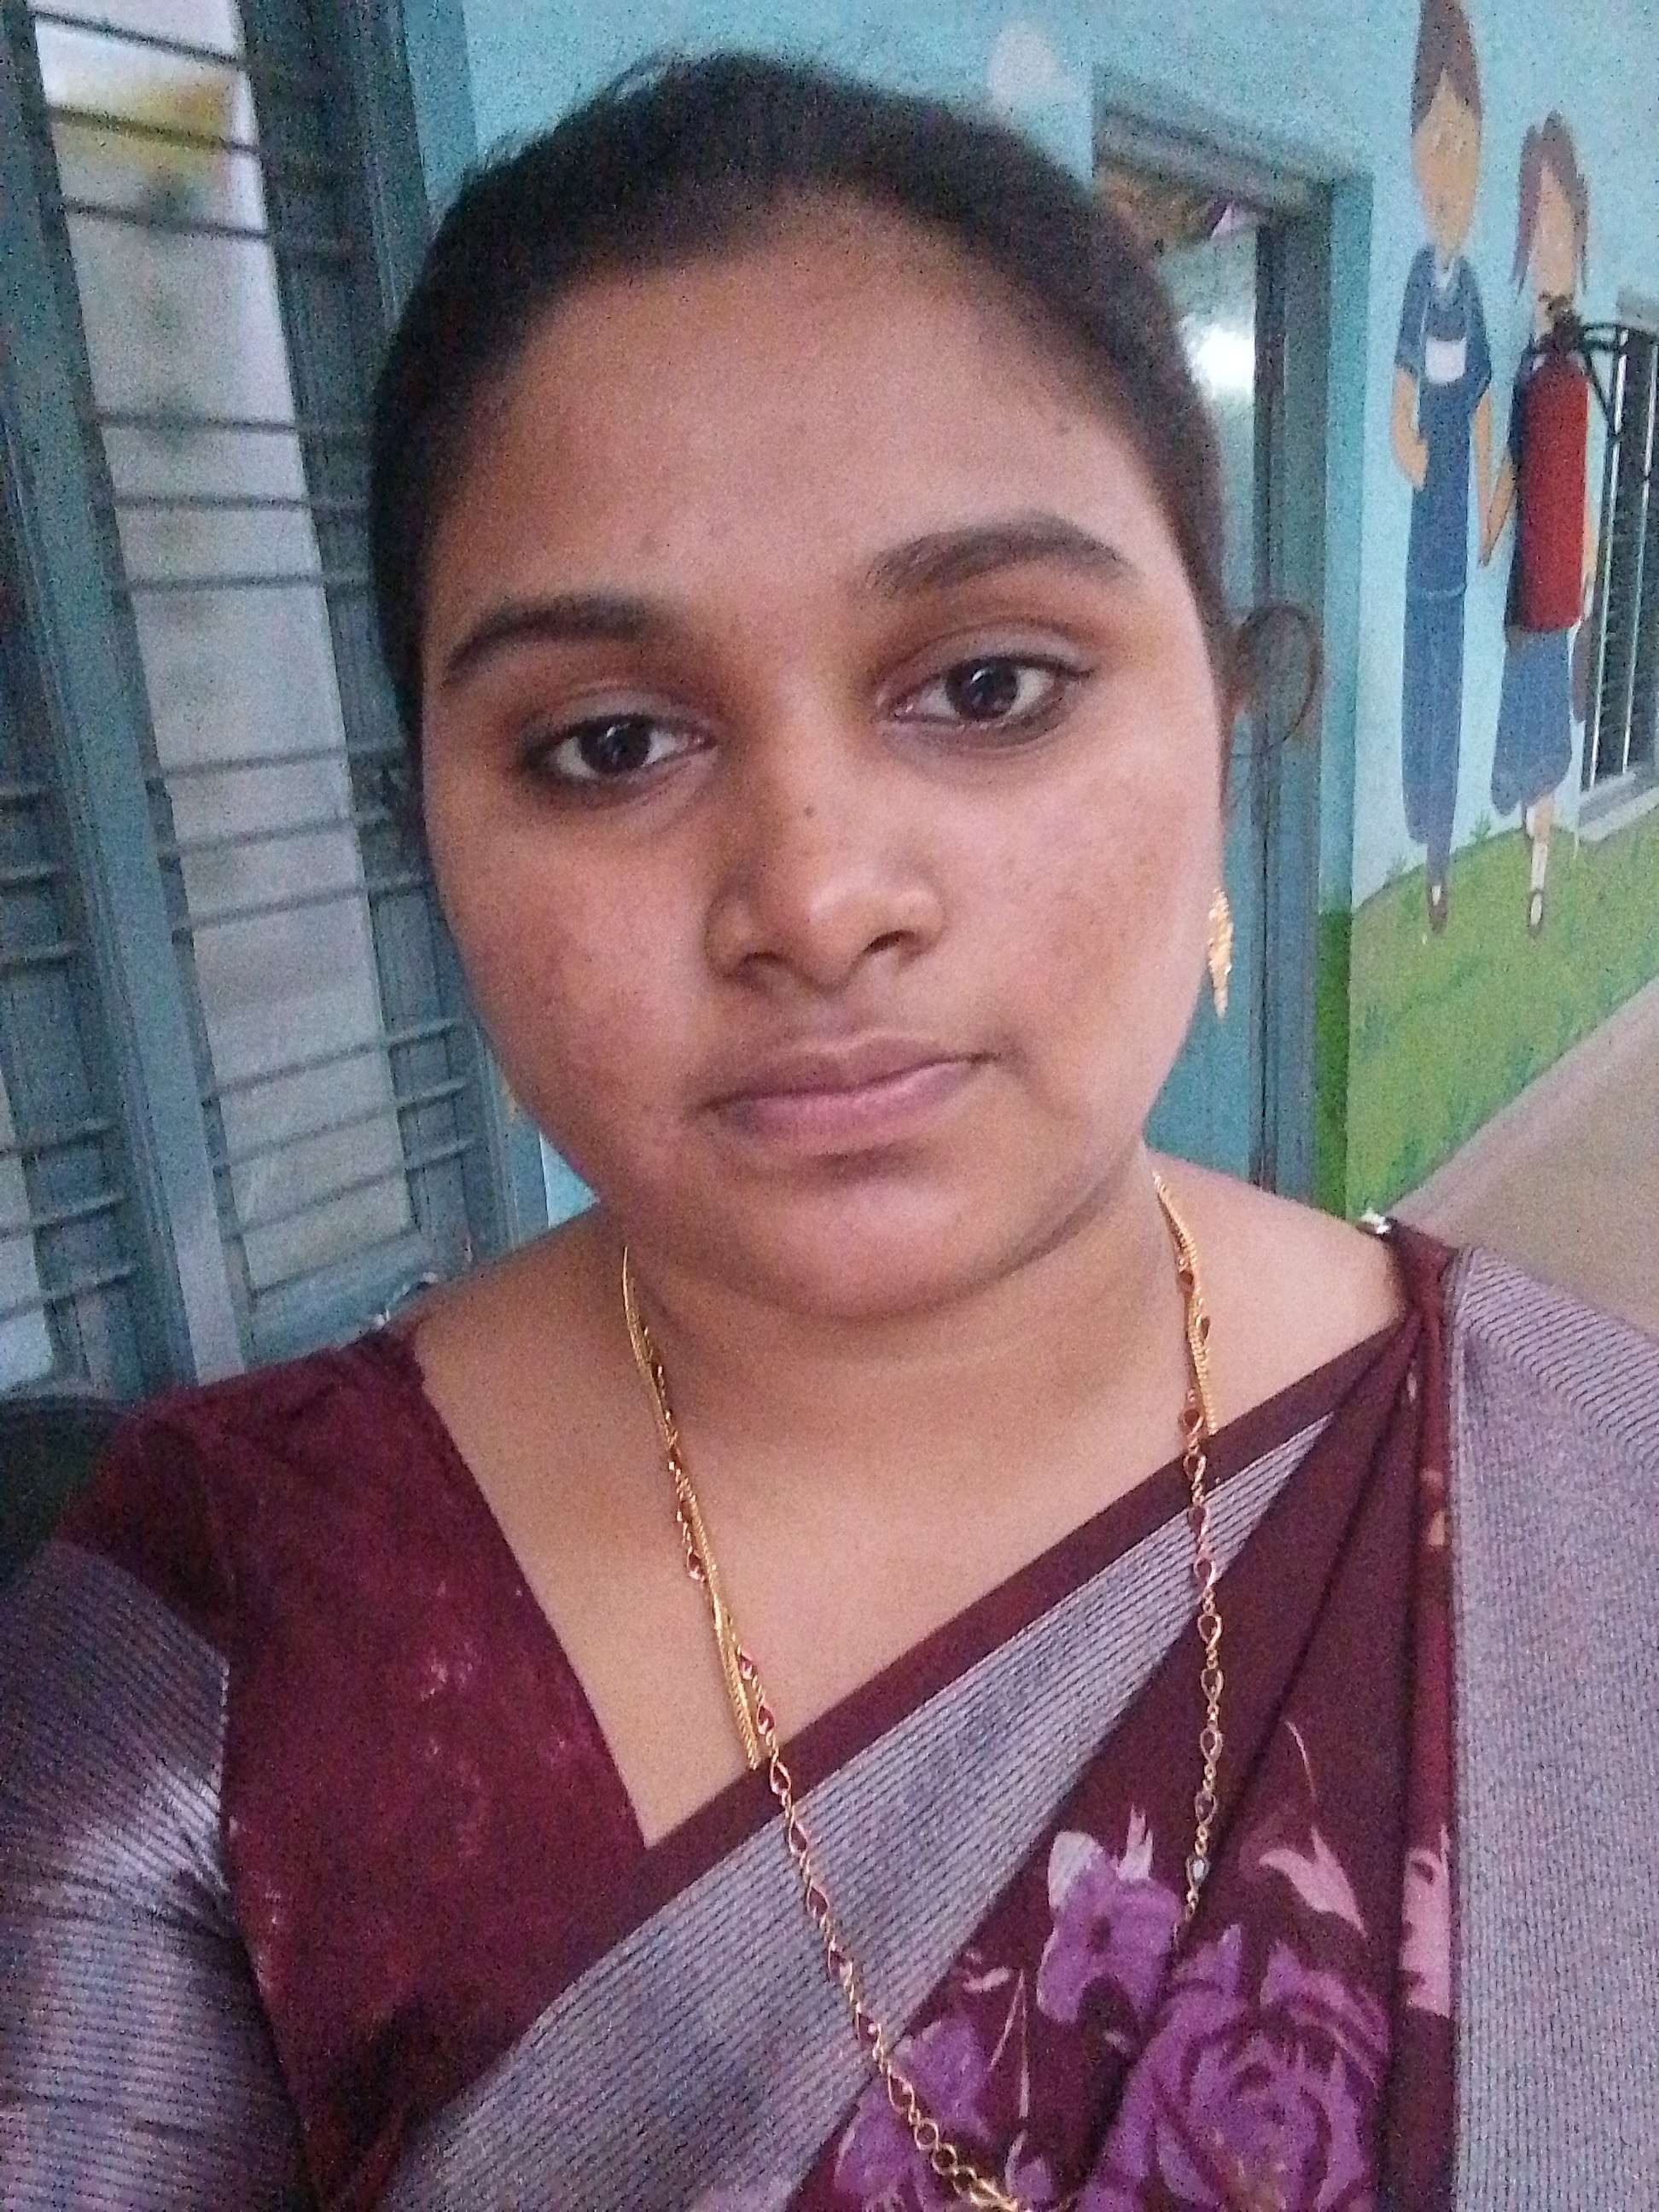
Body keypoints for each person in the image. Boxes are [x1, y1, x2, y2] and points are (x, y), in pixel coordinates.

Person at [3, 53, 1656, 2212]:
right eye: (609, 742)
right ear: (433, 832)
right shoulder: (220, 1655)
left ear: (1225, 715)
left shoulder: (1583, 1498)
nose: (811, 896)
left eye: (987, 686)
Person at [1480, 115, 1597, 936]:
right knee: (1530, 758)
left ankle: (1537, 882)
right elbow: (1516, 479)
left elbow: (1566, 499)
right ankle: (1532, 873)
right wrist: (1491, 541)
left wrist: (1578, 580)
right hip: (1534, 607)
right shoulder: (1547, 393)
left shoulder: (1562, 393)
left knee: (1544, 760)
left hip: (1547, 611)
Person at [1390, 0, 1493, 936]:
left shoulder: (1475, 297)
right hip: (1426, 519)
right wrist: (1416, 459)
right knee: (1416, 688)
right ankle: (1415, 829)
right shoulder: (1420, 283)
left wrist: (1487, 498)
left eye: (1462, 145)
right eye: (1435, 144)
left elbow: (1488, 402)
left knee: (1450, 695)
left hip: (1457, 532)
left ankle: (1438, 866)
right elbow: (1398, 405)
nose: (1447, 169)